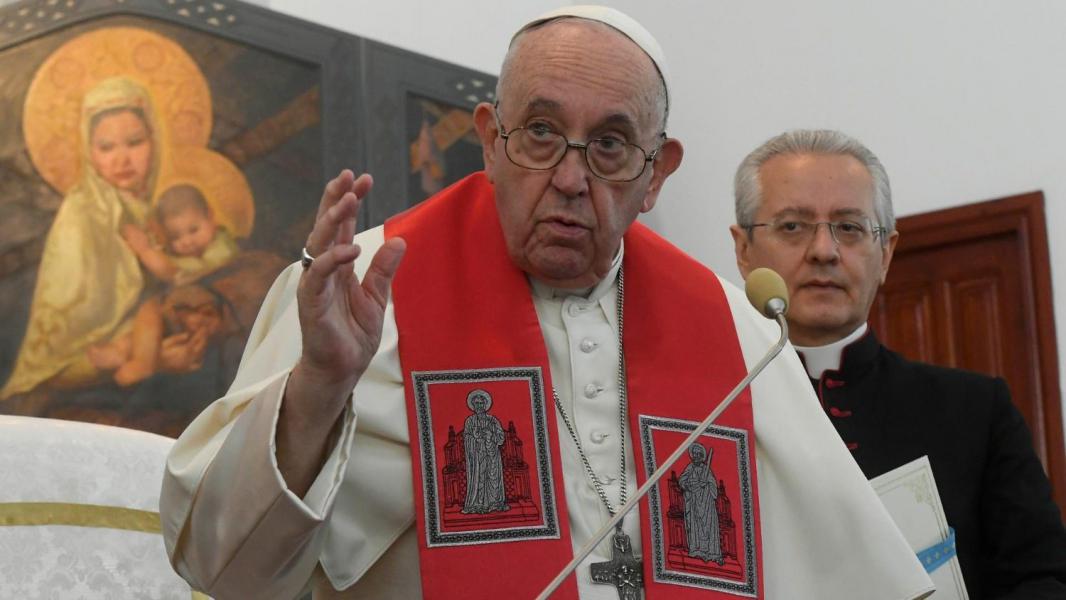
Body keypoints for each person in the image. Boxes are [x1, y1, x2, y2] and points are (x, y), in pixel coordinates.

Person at [160, 8, 933, 599]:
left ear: (657, 172)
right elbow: (222, 566)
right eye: (539, 132)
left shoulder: (728, 326)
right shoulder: (362, 289)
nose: (569, 176)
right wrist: (320, 388)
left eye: (609, 144)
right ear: (490, 139)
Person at [730, 128, 1066, 599]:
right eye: (792, 226)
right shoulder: (708, 414)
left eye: (849, 227)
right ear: (744, 250)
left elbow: (1042, 579)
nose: (824, 251)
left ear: (886, 254)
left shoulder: (974, 410)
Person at [1, 77, 162, 399]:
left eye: (135, 142)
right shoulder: (83, 213)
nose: (121, 159)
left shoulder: (157, 208)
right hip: (75, 356)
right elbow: (77, 307)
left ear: (155, 142)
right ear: (88, 152)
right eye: (106, 147)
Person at [89, 184, 238, 385]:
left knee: (150, 310)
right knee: (146, 326)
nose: (187, 242)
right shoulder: (188, 253)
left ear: (211, 217)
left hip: (207, 311)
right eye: (176, 237)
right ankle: (122, 350)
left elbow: (177, 274)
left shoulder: (222, 245)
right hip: (183, 311)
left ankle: (142, 363)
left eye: (193, 230)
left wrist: (145, 251)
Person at [678, 444, 722, 564]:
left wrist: (706, 484)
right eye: (695, 454)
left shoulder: (706, 469)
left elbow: (713, 486)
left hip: (706, 504)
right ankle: (697, 550)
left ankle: (709, 552)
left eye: (699, 454)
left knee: (707, 527)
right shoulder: (690, 468)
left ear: (702, 456)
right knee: (695, 526)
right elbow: (682, 480)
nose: (696, 456)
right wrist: (687, 485)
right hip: (693, 503)